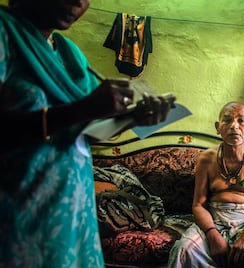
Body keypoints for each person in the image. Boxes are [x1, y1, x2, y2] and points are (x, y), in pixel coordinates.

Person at [0, 0, 173, 267]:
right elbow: (76, 116)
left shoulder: (69, 54)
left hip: (71, 210)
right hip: (19, 210)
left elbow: (83, 133)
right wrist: (82, 109)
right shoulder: (4, 32)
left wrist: (134, 119)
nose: (80, 2)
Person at [168, 101, 244, 268]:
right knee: (182, 250)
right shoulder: (206, 159)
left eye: (241, 121)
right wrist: (212, 235)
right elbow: (198, 205)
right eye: (227, 120)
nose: (234, 126)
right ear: (217, 127)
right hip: (213, 219)